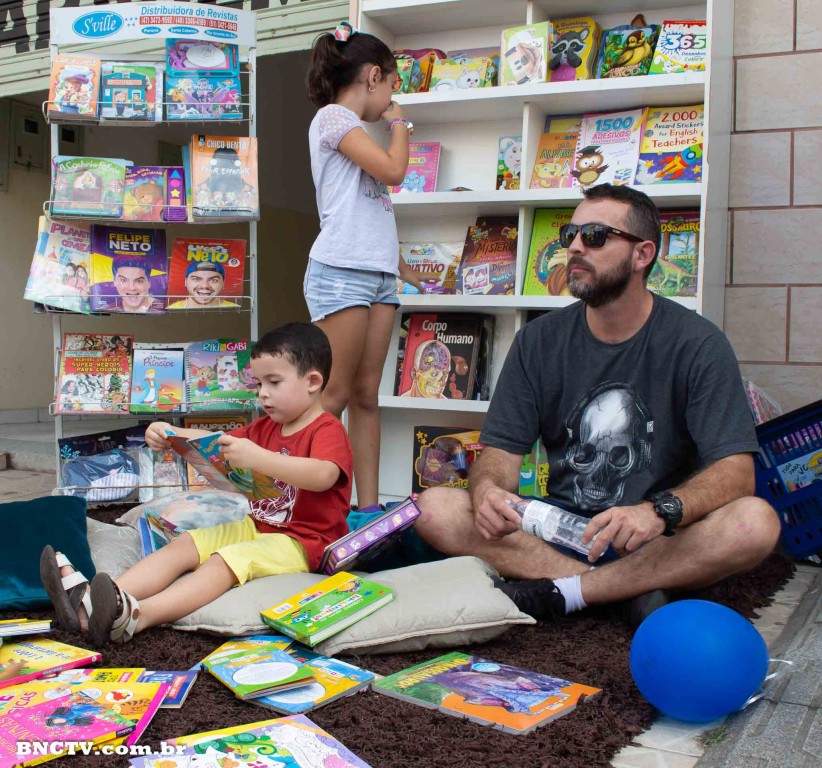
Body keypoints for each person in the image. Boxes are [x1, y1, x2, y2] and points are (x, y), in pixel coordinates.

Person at [414, 183, 781, 629]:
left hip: (658, 535)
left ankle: (570, 592)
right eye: (570, 234)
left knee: (755, 523)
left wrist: (658, 512)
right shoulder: (537, 341)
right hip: (559, 531)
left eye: (595, 236)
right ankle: (619, 590)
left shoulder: (699, 344)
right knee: (435, 508)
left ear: (642, 254)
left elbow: (737, 473)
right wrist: (489, 491)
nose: (574, 247)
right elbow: (500, 456)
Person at [40, 322, 353, 646]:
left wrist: (258, 458)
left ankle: (136, 616)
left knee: (225, 561)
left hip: (305, 543)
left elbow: (323, 476)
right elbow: (217, 441)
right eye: (259, 383)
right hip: (258, 526)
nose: (262, 393)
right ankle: (96, 602)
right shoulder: (266, 428)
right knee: (186, 544)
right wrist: (172, 433)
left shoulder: (326, 429)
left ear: (312, 382)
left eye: (274, 382)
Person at [304, 22, 436, 512]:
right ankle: (309, 506)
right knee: (333, 394)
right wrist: (402, 124)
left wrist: (402, 268)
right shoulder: (333, 118)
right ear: (374, 75)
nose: (391, 100)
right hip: (341, 272)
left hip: (377, 277)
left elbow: (369, 212)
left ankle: (368, 512)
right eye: (393, 86)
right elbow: (395, 172)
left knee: (365, 396)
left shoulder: (352, 129)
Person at [167, 261, 240, 309]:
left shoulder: (234, 308)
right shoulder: (171, 309)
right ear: (185, 282)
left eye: (214, 280)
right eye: (196, 279)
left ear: (223, 283)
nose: (205, 286)